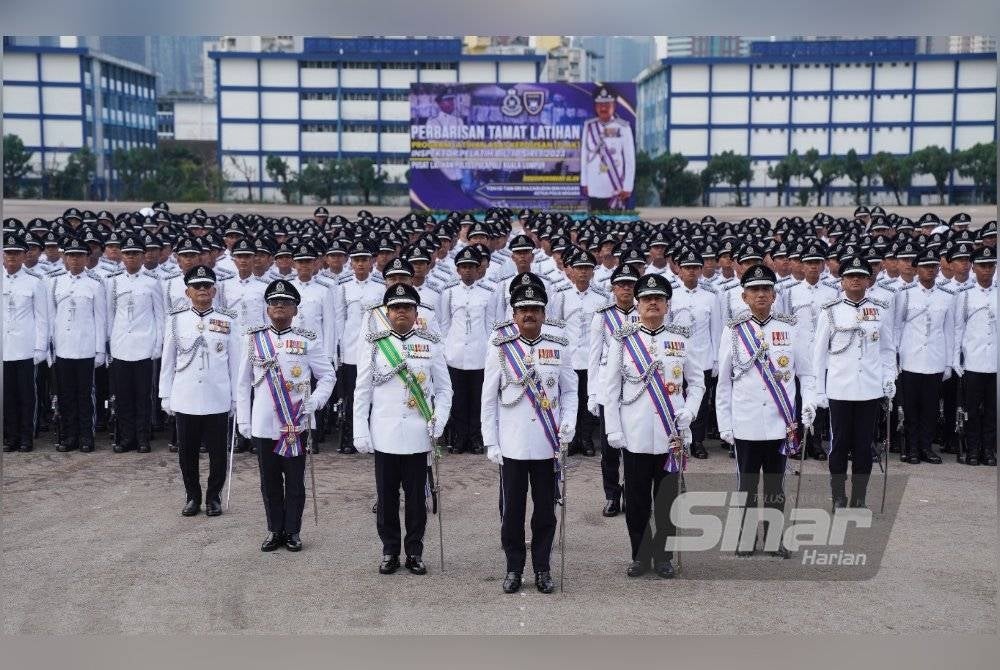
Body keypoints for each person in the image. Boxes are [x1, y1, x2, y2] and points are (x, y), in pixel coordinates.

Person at [602, 273, 705, 579]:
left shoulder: (680, 338)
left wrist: (690, 411)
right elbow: (610, 388)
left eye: (658, 299)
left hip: (670, 437)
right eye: (647, 299)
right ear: (638, 304)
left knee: (667, 501)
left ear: (666, 304)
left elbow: (698, 383)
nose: (653, 304)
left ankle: (664, 556)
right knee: (635, 503)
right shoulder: (623, 339)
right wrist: (613, 429)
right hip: (634, 435)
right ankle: (640, 554)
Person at [481, 283, 577, 594]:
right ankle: (513, 567)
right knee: (512, 513)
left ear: (544, 314)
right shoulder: (500, 344)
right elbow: (488, 398)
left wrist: (568, 423)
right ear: (514, 315)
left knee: (546, 513)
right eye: (523, 310)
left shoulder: (558, 343)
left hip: (547, 443)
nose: (529, 315)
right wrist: (491, 441)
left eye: (535, 310)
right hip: (512, 445)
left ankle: (543, 568)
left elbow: (570, 390)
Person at [715, 264, 816, 557]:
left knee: (775, 487)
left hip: (779, 423)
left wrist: (808, 403)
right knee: (745, 486)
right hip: (745, 422)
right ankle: (746, 539)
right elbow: (723, 383)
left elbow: (806, 374)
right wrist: (725, 423)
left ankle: (774, 540)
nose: (761, 294)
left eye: (766, 289)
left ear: (774, 295)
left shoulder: (789, 327)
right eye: (755, 290)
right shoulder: (733, 331)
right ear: (744, 296)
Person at [353, 284, 452, 575]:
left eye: (406, 307)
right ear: (387, 312)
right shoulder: (375, 343)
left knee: (416, 500)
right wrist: (360, 429)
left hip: (419, 434)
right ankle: (389, 551)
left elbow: (445, 389)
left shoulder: (430, 343)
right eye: (395, 307)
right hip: (384, 433)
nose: (401, 312)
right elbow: (362, 391)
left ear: (415, 313)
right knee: (386, 498)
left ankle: (415, 551)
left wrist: (440, 419)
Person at [236, 280, 336, 552]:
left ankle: (292, 531)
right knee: (269, 481)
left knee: (294, 481)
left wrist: (315, 402)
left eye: (286, 302)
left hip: (296, 423)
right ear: (267, 309)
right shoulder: (253, 339)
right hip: (264, 422)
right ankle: (274, 530)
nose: (279, 306)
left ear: (295, 309)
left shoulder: (307, 339)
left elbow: (327, 376)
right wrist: (243, 420)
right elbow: (243, 383)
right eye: (274, 302)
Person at [813, 256, 895, 510]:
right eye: (850, 276)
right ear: (842, 281)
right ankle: (838, 493)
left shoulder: (880, 309)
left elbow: (887, 349)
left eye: (860, 276)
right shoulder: (830, 310)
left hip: (869, 388)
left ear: (869, 281)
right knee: (838, 445)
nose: (856, 280)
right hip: (840, 388)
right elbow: (819, 354)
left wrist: (889, 377)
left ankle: (859, 496)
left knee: (864, 447)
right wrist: (819, 389)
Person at [159, 266, 240, 517]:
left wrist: (237, 398)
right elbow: (168, 361)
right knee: (187, 453)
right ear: (188, 291)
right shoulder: (176, 319)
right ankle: (192, 496)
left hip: (218, 396)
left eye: (207, 286)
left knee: (218, 453)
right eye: (197, 286)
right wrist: (166, 394)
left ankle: (213, 497)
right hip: (186, 396)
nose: (202, 290)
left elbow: (235, 362)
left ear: (214, 290)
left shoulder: (228, 320)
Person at [893, 248, 955, 465]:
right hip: (910, 359)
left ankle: (926, 448)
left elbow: (949, 331)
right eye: (925, 266)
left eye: (933, 266)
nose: (930, 270)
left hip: (935, 360)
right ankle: (911, 449)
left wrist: (948, 363)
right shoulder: (905, 294)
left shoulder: (947, 296)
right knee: (911, 408)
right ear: (917, 269)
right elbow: (897, 328)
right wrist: (896, 357)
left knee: (930, 409)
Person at [588, 263, 640, 516]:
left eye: (630, 284)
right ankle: (611, 495)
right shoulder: (603, 315)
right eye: (621, 284)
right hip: (608, 389)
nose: (626, 289)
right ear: (613, 288)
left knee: (632, 446)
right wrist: (592, 393)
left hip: (636, 389)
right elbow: (594, 356)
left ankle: (632, 492)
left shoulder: (645, 312)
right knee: (609, 449)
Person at [106, 235, 165, 453]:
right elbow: (110, 316)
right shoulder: (114, 281)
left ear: (142, 256)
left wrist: (158, 345)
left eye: (136, 253)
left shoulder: (152, 282)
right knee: (123, 397)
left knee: (143, 396)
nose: (131, 257)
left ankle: (142, 438)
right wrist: (110, 344)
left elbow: (160, 316)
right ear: (122, 256)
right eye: (128, 253)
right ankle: (125, 438)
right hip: (121, 346)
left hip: (144, 346)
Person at [49, 236, 107, 453]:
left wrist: (100, 350)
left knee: (86, 396)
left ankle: (86, 437)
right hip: (63, 348)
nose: (75, 259)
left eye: (79, 255)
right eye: (71, 255)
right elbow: (51, 317)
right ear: (65, 257)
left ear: (86, 258)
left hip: (86, 348)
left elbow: (101, 320)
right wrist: (50, 349)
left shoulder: (95, 284)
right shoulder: (55, 282)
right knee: (65, 396)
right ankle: (69, 436)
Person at [439, 246, 495, 454]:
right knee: (458, 399)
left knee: (479, 399)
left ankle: (476, 438)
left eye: (472, 266)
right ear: (458, 270)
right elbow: (444, 324)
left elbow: (491, 324)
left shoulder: (489, 292)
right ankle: (459, 438)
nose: (468, 270)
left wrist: (491, 351)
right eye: (464, 267)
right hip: (455, 355)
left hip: (480, 354)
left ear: (478, 268)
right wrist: (446, 350)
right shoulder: (448, 292)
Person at [667, 248, 721, 460]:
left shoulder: (710, 296)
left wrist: (716, 358)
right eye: (687, 267)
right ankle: (676, 437)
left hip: (703, 357)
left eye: (695, 268)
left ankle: (697, 441)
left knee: (700, 400)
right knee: (676, 397)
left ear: (700, 270)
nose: (691, 271)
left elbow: (716, 330)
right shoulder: (670, 295)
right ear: (679, 269)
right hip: (677, 358)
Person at [2, 231, 49, 453]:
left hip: (25, 348)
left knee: (26, 395)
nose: (11, 257)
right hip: (4, 349)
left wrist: (40, 347)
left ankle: (26, 437)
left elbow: (41, 318)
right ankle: (10, 437)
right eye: (8, 252)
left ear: (24, 255)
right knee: (7, 395)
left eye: (16, 253)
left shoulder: (34, 282)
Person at [560, 250, 609, 456]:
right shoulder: (561, 295)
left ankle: (587, 438)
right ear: (571, 271)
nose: (582, 272)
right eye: (579, 268)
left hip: (592, 357)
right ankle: (571, 439)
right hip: (569, 358)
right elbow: (557, 326)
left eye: (587, 268)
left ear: (592, 272)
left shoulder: (602, 297)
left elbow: (607, 329)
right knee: (571, 399)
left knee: (590, 398)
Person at [954, 246, 997, 466]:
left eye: (991, 265)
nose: (987, 270)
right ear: (974, 267)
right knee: (971, 410)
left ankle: (988, 451)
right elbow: (958, 329)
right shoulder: (965, 295)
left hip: (995, 363)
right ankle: (972, 450)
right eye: (983, 265)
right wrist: (955, 357)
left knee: (992, 411)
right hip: (973, 362)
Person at [580, 85, 635, 211]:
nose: (603, 108)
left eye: (607, 104)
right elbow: (584, 156)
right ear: (595, 106)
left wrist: (628, 186)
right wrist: (585, 182)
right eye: (599, 104)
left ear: (614, 105)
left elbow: (630, 160)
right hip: (594, 185)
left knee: (616, 227)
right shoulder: (589, 127)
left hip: (616, 188)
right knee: (595, 225)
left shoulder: (623, 127)